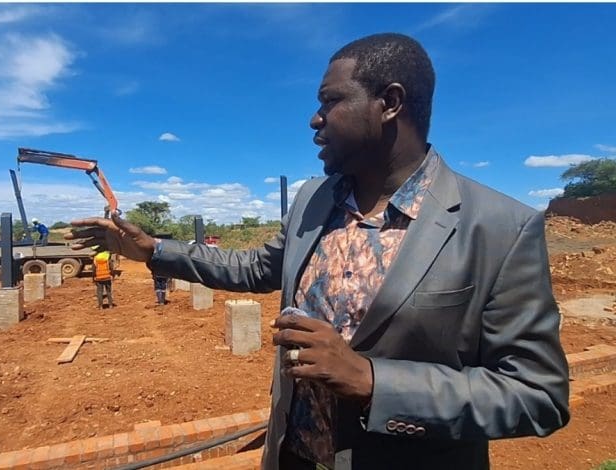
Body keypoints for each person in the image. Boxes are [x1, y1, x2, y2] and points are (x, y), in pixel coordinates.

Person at [67, 33, 569, 470]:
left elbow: (537, 395)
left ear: (389, 103)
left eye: (330, 101)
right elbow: (257, 267)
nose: (315, 118)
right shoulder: (315, 198)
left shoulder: (500, 227)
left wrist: (372, 379)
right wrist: (155, 250)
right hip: (294, 456)